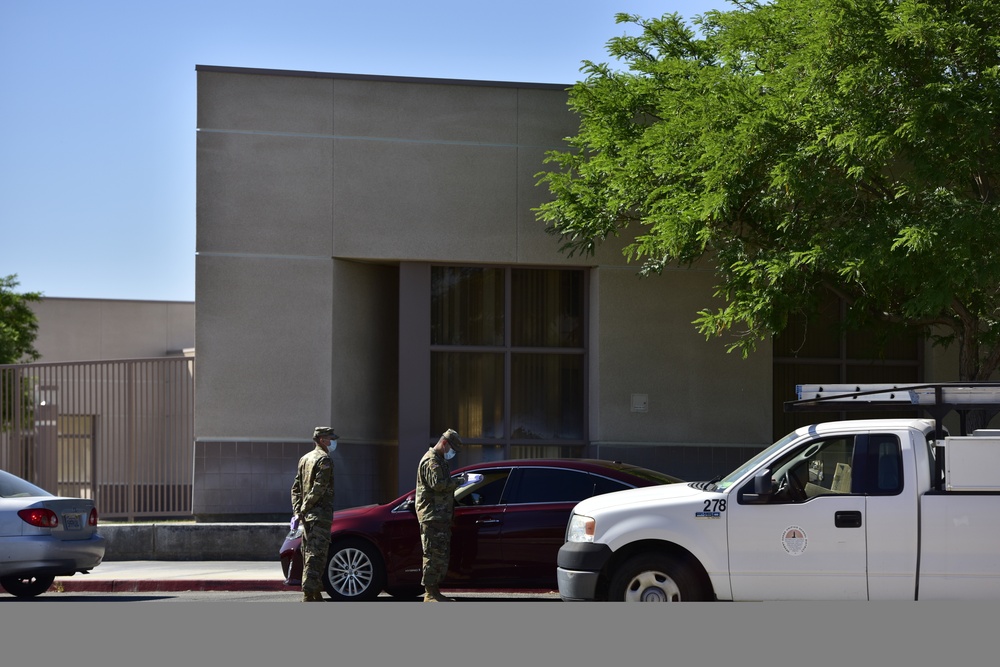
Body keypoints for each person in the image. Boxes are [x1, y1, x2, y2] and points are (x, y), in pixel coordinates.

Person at [415, 428, 466, 602]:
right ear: (444, 443)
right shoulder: (431, 461)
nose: (453, 453)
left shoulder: (440, 460)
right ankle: (429, 593)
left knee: (440, 556)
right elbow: (438, 484)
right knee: (432, 555)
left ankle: (435, 592)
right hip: (432, 517)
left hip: (440, 517)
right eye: (452, 449)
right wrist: (461, 481)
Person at [290, 426, 338, 601]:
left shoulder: (305, 458)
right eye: (331, 438)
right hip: (319, 515)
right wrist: (303, 509)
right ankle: (309, 594)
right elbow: (319, 488)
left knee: (309, 552)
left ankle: (314, 592)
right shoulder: (324, 460)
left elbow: (295, 488)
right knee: (316, 555)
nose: (334, 441)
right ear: (322, 440)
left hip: (308, 516)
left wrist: (298, 511)